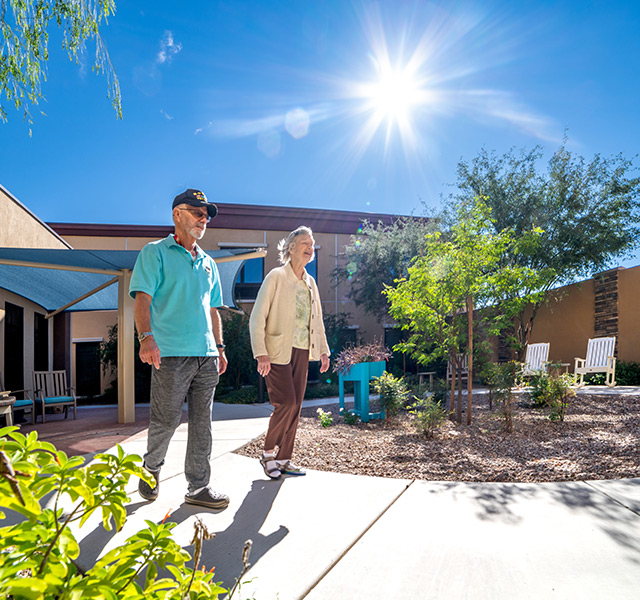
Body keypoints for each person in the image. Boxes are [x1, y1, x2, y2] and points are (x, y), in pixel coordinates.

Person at [130, 188, 230, 509]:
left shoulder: (208, 263)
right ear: (177, 215)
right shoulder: (155, 252)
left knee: (203, 424)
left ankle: (198, 486)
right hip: (170, 353)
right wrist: (146, 337)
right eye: (197, 213)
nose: (204, 219)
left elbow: (214, 310)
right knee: (166, 420)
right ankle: (151, 469)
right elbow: (142, 298)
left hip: (207, 355)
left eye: (207, 215)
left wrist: (220, 347)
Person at [249, 226, 330, 479]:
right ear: (291, 248)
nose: (310, 247)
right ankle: (267, 454)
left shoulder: (310, 282)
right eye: (305, 242)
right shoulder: (276, 276)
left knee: (296, 407)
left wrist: (324, 351)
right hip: (276, 351)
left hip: (303, 350)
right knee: (286, 402)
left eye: (312, 243)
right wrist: (261, 352)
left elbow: (317, 320)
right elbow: (257, 316)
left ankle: (284, 458)